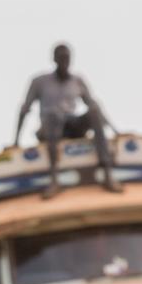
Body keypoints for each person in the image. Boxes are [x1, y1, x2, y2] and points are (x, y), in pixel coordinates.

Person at [14, 42, 123, 199]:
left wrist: (116, 131)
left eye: (67, 58)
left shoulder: (77, 81)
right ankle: (54, 179)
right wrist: (15, 141)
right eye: (61, 58)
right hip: (49, 127)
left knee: (93, 110)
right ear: (54, 59)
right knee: (54, 115)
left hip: (72, 125)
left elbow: (93, 105)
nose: (65, 62)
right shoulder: (39, 81)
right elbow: (24, 109)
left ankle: (107, 173)